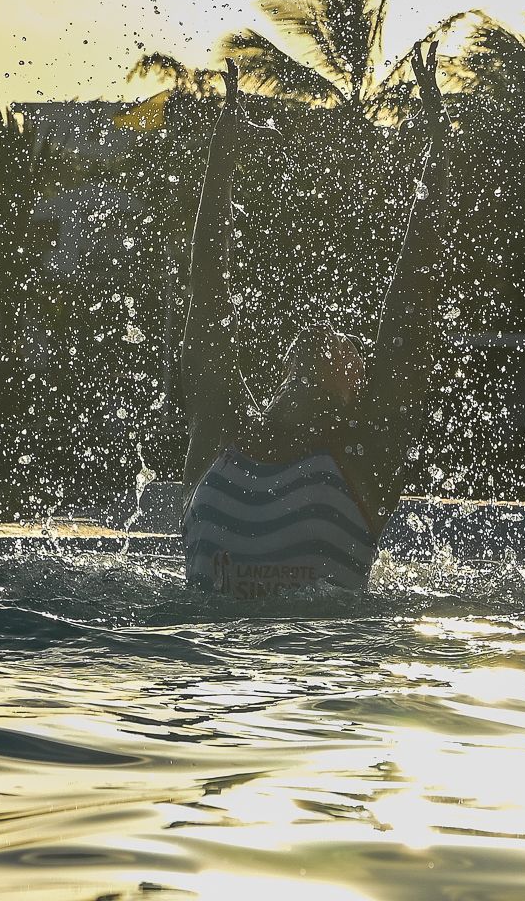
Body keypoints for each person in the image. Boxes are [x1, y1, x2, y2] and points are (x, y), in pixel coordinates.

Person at [178, 46, 454, 599]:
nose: (330, 337)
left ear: (360, 388)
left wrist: (439, 151)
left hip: (319, 674)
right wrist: (221, 158)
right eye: (320, 340)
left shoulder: (364, 455)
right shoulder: (222, 425)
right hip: (208, 676)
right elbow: (205, 286)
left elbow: (413, 297)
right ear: (285, 365)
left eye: (349, 346)